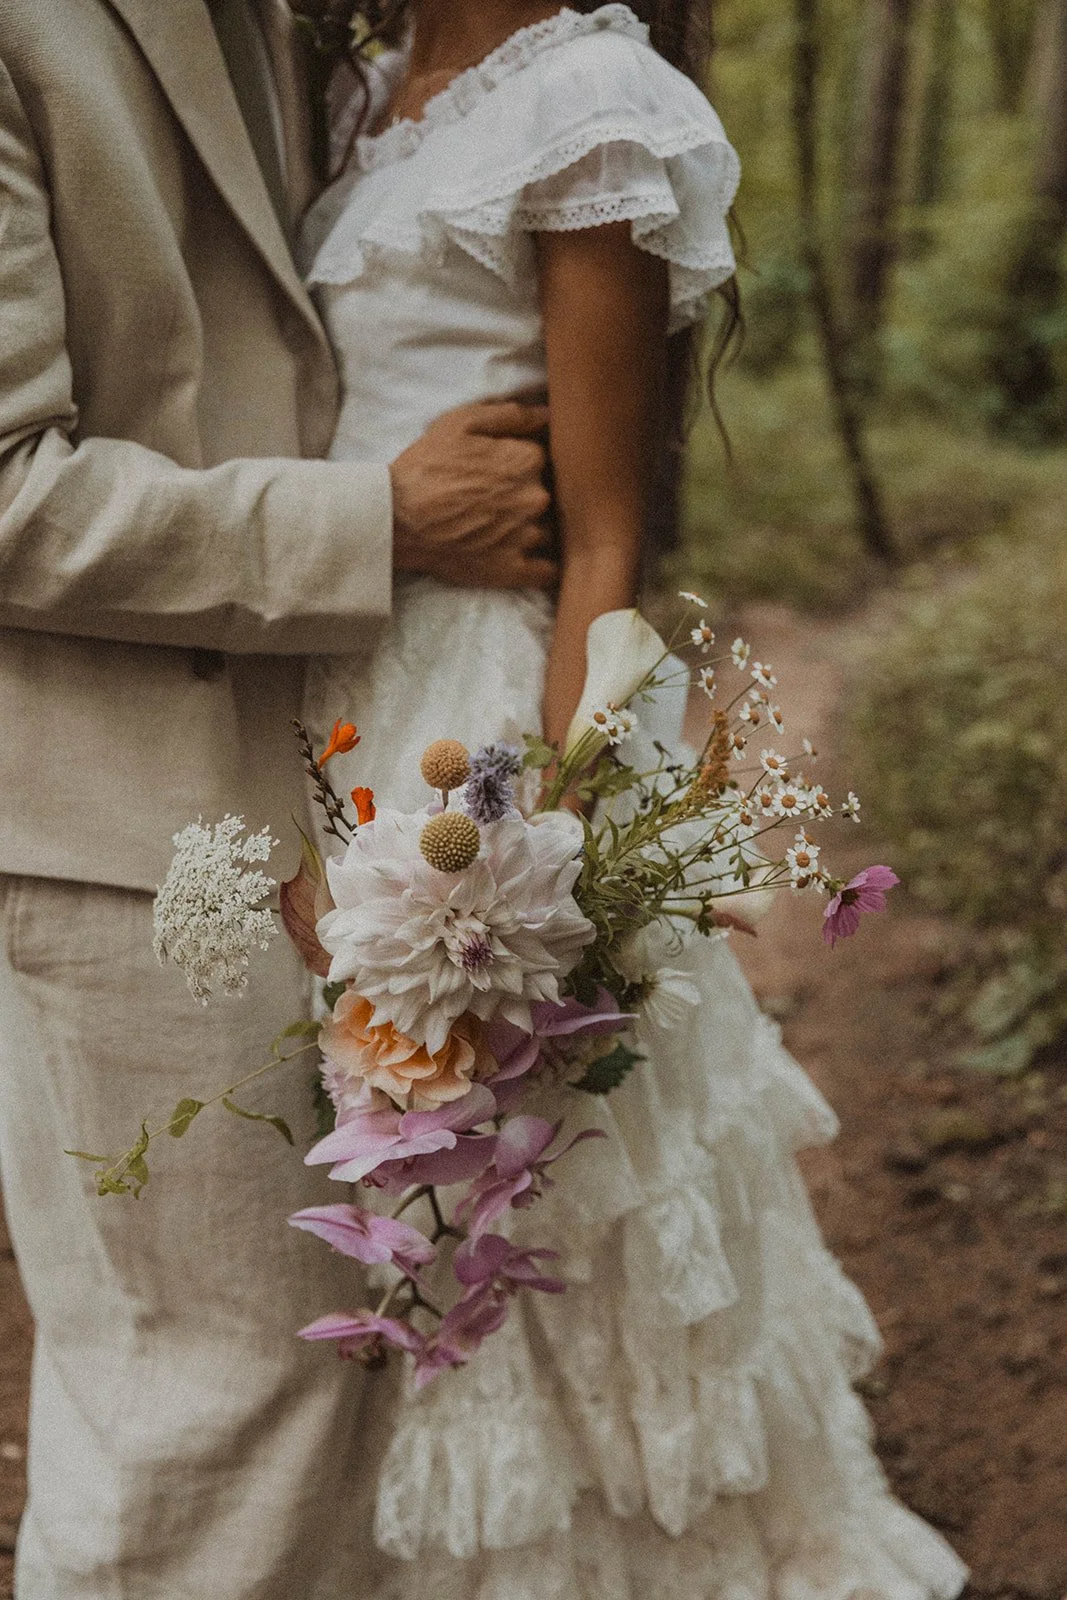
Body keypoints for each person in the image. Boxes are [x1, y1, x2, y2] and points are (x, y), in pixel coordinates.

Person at [295, 3, 972, 1596]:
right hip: (332, 690)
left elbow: (605, 542)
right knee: (375, 1204)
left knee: (545, 1199)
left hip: (480, 723)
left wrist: (543, 859)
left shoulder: (594, 99)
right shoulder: (364, 87)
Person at [0, 3, 556, 1595]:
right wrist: (376, 524)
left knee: (329, 1396)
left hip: (331, 802)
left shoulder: (301, 21)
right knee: (208, 1423)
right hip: (117, 830)